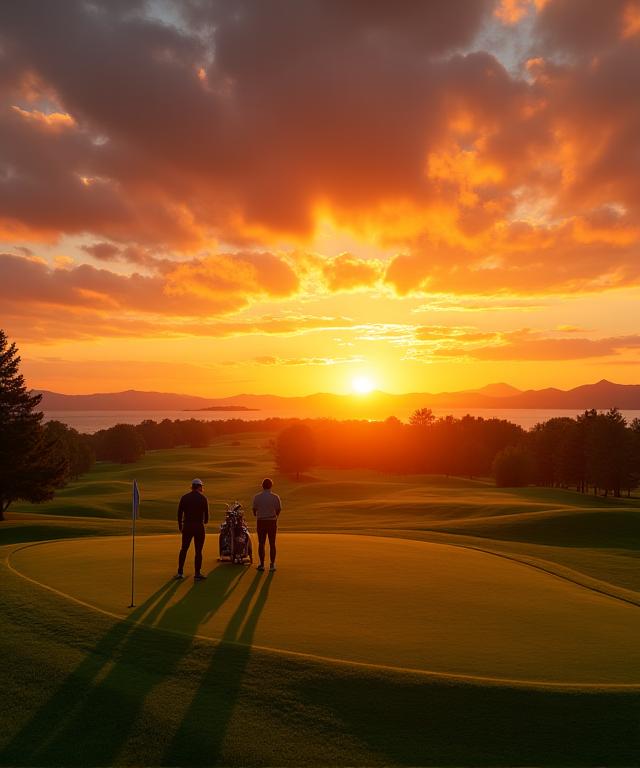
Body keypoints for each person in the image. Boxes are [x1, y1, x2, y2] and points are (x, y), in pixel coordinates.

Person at [176, 478, 209, 580]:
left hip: (187, 526)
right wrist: (203, 521)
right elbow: (206, 517)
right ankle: (197, 574)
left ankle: (180, 572)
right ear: (199, 487)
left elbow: (179, 513)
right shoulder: (203, 498)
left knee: (184, 549)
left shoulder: (185, 497)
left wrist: (180, 525)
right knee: (198, 551)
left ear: (192, 486)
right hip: (199, 526)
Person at [252, 478, 281, 572]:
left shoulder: (257, 497)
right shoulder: (275, 497)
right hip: (272, 521)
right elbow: (278, 509)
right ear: (271, 486)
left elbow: (254, 510)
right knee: (272, 544)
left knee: (261, 543)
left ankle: (262, 564)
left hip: (261, 521)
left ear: (262, 486)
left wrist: (259, 514)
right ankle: (272, 565)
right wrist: (275, 515)